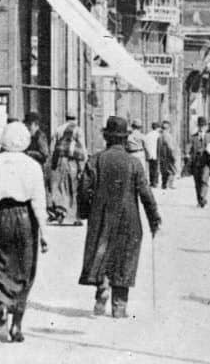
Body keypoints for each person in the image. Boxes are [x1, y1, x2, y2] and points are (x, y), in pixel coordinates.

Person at [79, 116, 161, 319]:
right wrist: (154, 219)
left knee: (102, 252)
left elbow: (83, 189)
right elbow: (146, 194)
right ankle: (119, 306)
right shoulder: (134, 163)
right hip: (129, 218)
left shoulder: (95, 160)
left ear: (106, 137)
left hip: (102, 216)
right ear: (125, 139)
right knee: (125, 258)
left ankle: (102, 285)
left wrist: (86, 212)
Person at [0, 121, 47, 343]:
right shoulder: (33, 165)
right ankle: (17, 325)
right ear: (25, 141)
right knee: (24, 268)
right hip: (25, 218)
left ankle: (2, 308)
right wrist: (43, 233)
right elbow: (39, 202)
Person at [47, 118, 87, 225]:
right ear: (75, 119)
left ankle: (61, 209)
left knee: (61, 186)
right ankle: (74, 217)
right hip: (72, 161)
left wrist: (52, 162)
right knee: (74, 187)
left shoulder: (58, 129)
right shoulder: (78, 130)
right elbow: (82, 147)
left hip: (59, 160)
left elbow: (52, 147)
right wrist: (83, 163)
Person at [188, 117, 210, 208]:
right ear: (198, 126)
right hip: (196, 163)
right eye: (200, 126)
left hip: (206, 163)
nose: (201, 128)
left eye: (203, 126)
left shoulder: (209, 137)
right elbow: (190, 149)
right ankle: (200, 201)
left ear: (206, 127)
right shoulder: (193, 137)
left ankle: (203, 198)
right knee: (197, 182)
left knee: (204, 180)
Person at [158, 121, 178, 189]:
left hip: (162, 157)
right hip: (168, 157)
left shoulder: (160, 136)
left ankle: (164, 184)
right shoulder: (168, 136)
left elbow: (158, 148)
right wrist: (174, 156)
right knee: (171, 171)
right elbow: (170, 147)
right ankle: (169, 185)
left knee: (164, 171)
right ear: (168, 128)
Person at [144, 122, 163, 188]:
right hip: (156, 153)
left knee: (151, 168)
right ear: (157, 128)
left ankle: (151, 182)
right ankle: (155, 182)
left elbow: (145, 144)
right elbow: (160, 145)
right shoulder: (158, 135)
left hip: (150, 153)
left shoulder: (148, 135)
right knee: (156, 168)